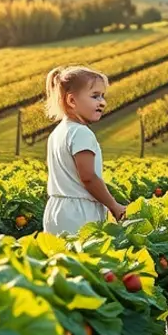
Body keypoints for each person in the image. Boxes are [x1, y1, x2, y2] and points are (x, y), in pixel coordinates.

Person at [42, 65, 126, 236]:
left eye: (103, 96)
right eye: (95, 96)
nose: (102, 102)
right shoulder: (81, 133)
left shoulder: (57, 133)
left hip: (55, 210)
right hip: (80, 213)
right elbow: (88, 177)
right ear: (72, 100)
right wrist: (114, 206)